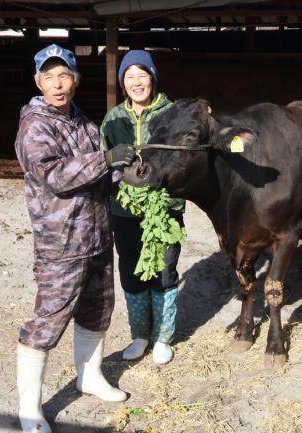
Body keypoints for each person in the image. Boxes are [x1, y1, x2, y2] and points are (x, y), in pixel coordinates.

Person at [14, 44, 135, 433]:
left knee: (98, 310)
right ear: (38, 83)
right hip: (61, 244)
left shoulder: (82, 121)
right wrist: (107, 159)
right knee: (48, 322)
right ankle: (29, 407)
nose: (57, 83)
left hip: (98, 237)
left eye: (63, 75)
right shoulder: (35, 126)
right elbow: (57, 175)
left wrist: (129, 174)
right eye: (48, 77)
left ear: (76, 80)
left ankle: (90, 376)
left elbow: (99, 172)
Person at [100, 50, 184, 365]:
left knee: (164, 270)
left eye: (142, 74)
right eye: (129, 76)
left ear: (152, 78)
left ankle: (163, 338)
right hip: (125, 211)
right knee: (132, 270)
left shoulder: (172, 114)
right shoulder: (113, 118)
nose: (137, 82)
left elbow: (185, 161)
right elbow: (102, 159)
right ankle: (140, 335)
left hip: (164, 210)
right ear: (123, 83)